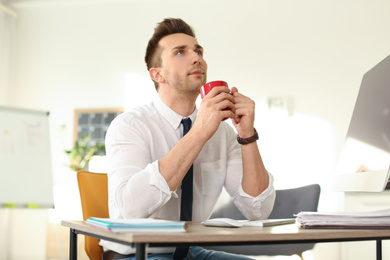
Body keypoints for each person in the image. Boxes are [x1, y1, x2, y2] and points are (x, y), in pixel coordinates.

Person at [102, 18, 275, 260]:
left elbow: (258, 210)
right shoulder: (129, 125)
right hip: (138, 253)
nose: (197, 58)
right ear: (157, 74)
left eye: (198, 51)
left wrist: (247, 135)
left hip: (192, 252)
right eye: (180, 52)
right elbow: (131, 209)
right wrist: (199, 133)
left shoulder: (223, 133)